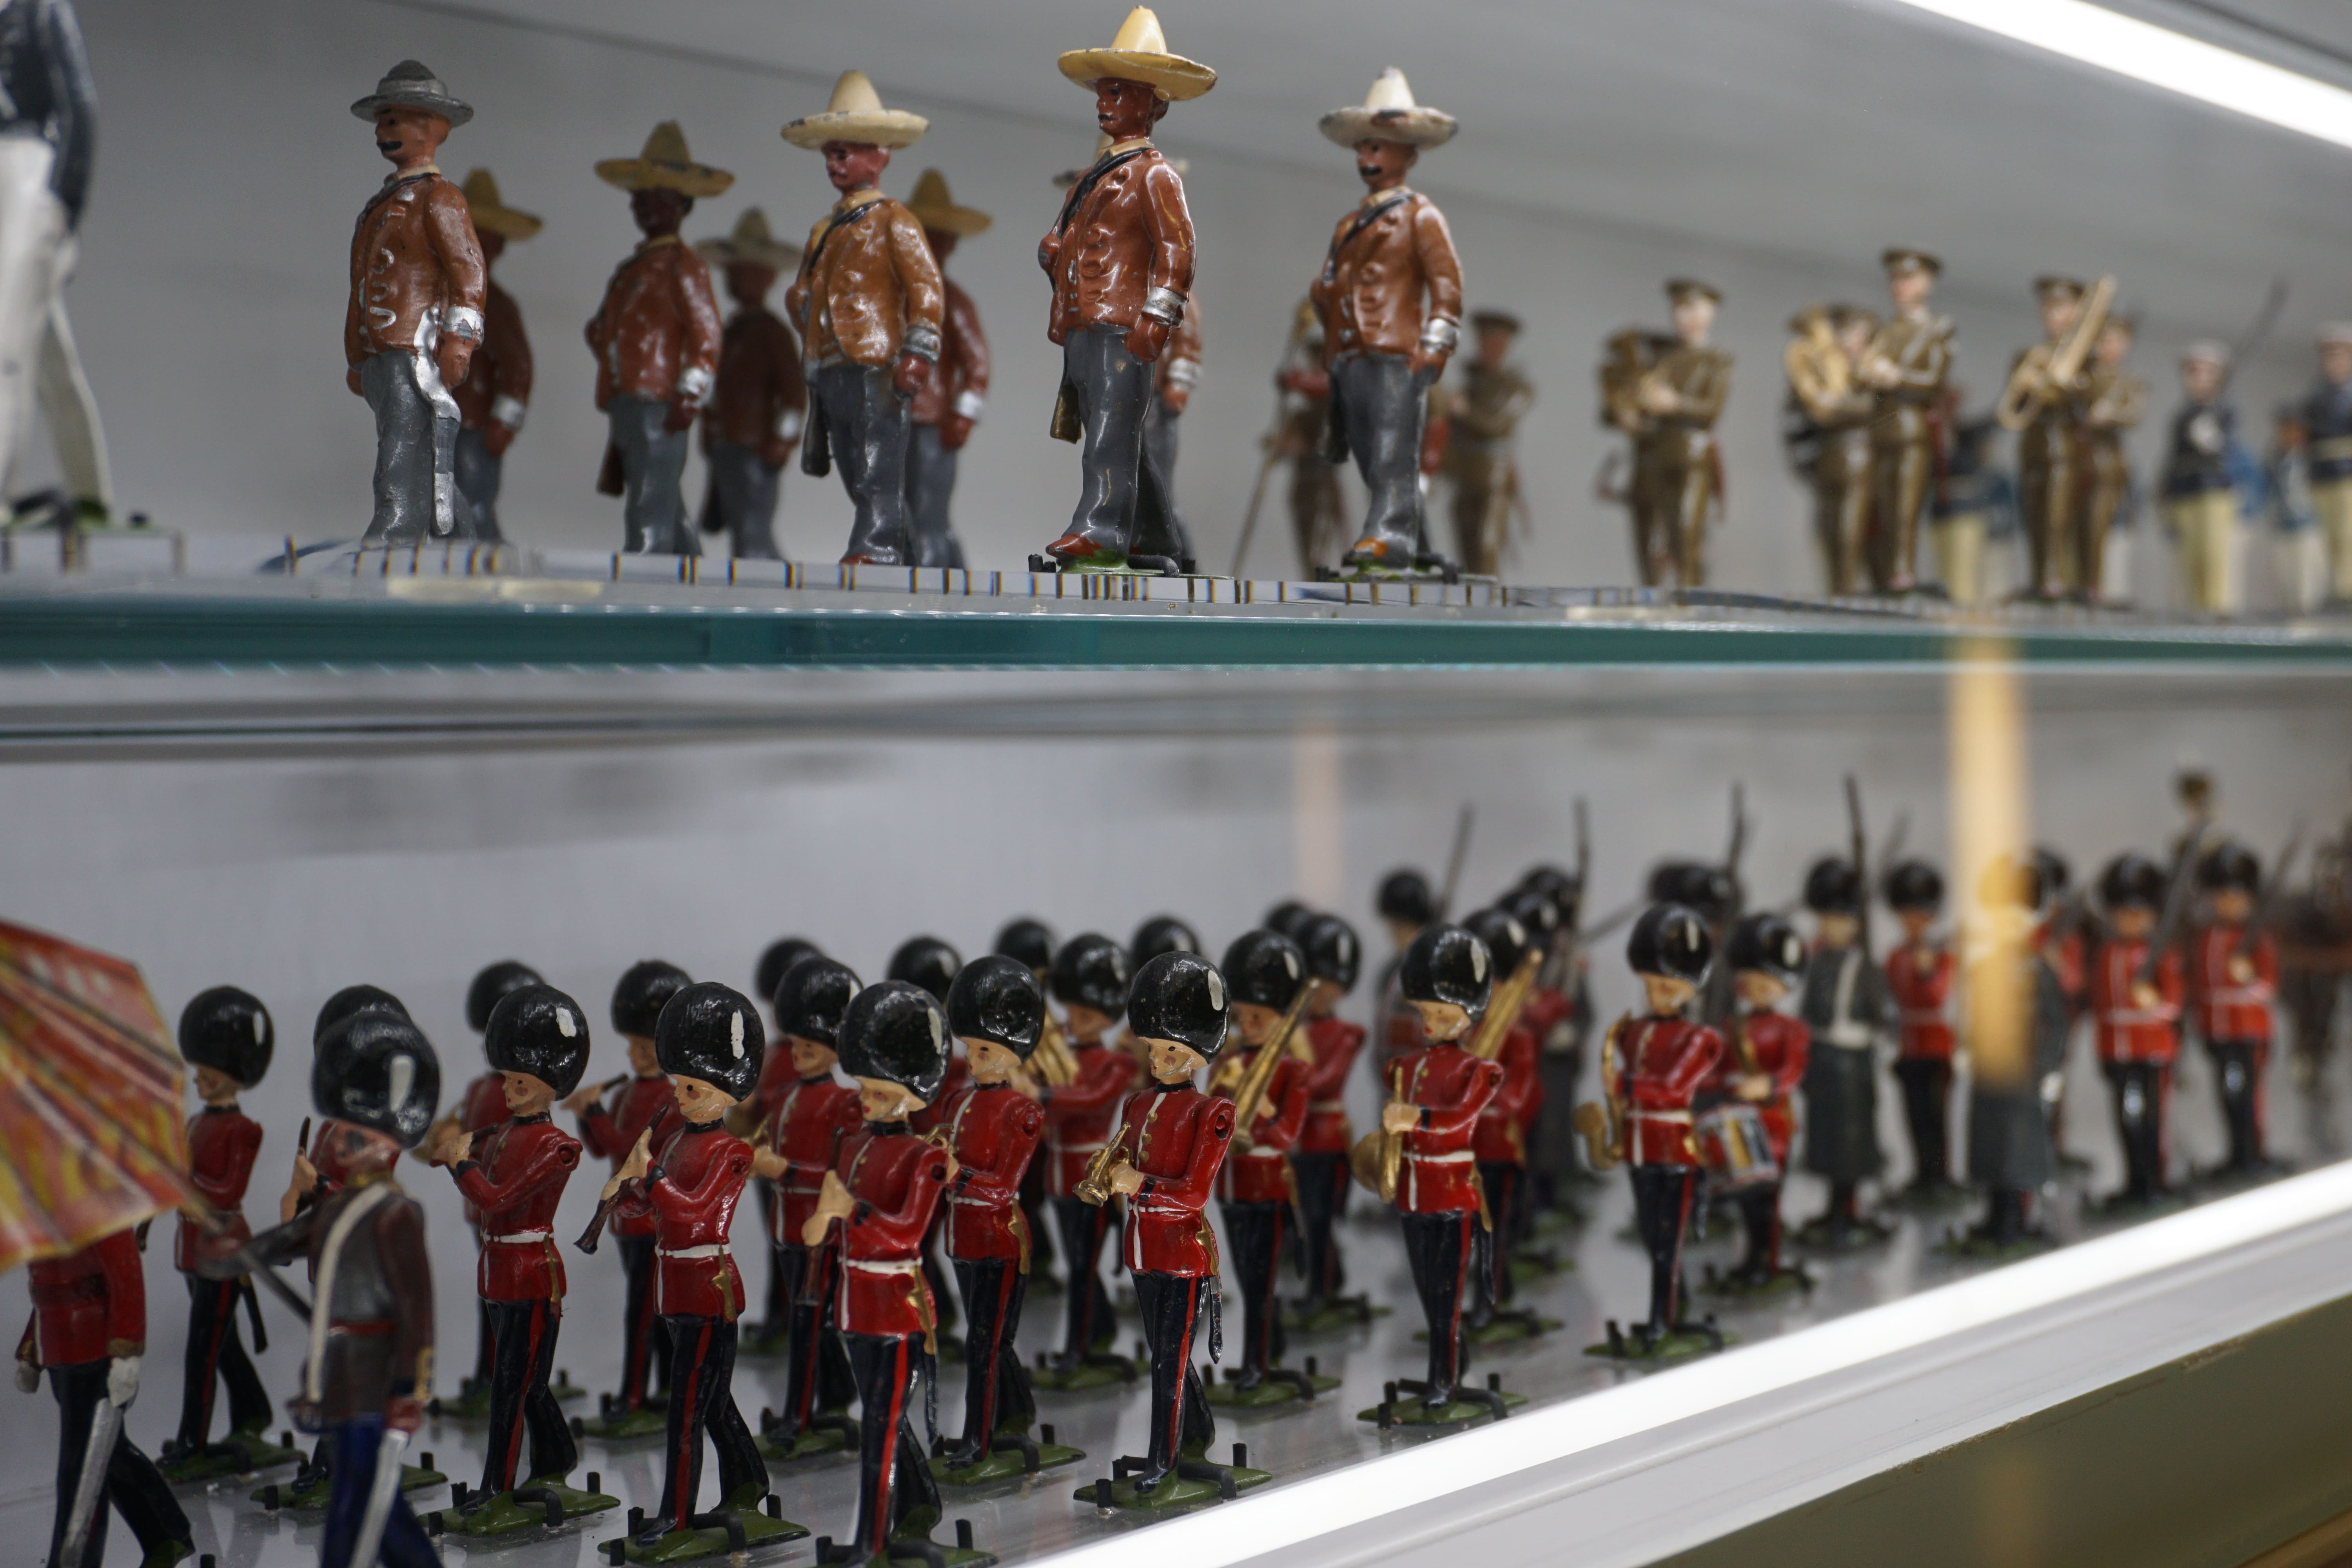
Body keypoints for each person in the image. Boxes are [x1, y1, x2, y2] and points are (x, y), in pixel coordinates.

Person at [208, 1006, 441, 1568]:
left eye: (355, 1134)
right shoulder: (337, 1206)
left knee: (358, 1498)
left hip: (376, 1376)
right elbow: (289, 1238)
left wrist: (411, 1389)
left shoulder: (396, 1213)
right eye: (341, 1131)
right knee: (366, 1500)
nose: (339, 1142)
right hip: (337, 1370)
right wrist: (234, 1252)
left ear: (387, 1143)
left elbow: (417, 1313)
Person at [1038, 10, 1212, 573]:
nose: (1104, 102)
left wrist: (1157, 320)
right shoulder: (1091, 179)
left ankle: (1100, 530)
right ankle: (1151, 533)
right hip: (1084, 321)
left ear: (1154, 104)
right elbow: (1067, 239)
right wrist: (1054, 252)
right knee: (1113, 434)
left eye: (1118, 92)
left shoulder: (1155, 175)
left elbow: (1179, 253)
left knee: (1110, 437)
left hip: (1123, 323)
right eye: (1102, 92)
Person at [604, 984, 771, 1550]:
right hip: (674, 1286)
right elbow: (655, 1209)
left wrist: (651, 1178)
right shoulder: (676, 1139)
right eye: (679, 1085)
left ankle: (676, 1517)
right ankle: (749, 1479)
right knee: (713, 1402)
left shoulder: (733, 1152)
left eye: (691, 1088)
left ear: (724, 1093)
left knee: (685, 1413)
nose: (679, 1096)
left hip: (707, 1290)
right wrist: (625, 1194)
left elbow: (695, 1212)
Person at [426, 985, 597, 1524]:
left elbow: (498, 1200)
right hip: (499, 1272)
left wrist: (461, 1165)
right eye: (507, 1080)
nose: (508, 1091)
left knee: (509, 1387)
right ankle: (557, 1455)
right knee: (529, 1385)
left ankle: (495, 1487)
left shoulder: (557, 1146)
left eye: (521, 1083)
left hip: (530, 1274)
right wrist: (449, 1149)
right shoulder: (502, 1133)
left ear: (549, 1086)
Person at [802, 982, 955, 1555]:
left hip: (896, 1307)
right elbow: (827, 1228)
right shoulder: (853, 1147)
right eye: (865, 1088)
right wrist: (823, 1222)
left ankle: (871, 1540)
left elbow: (908, 1232)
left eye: (879, 1090)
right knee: (880, 1417)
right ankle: (916, 1509)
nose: (866, 1100)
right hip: (855, 1302)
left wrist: (851, 1211)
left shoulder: (925, 1157)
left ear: (909, 1095)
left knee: (878, 1428)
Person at [1085, 950, 1237, 1495]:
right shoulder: (1135, 1103)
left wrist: (1139, 1185)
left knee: (1166, 1364)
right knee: (1165, 1357)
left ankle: (1163, 1461)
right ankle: (1194, 1433)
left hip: (1181, 1253)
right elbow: (1127, 1160)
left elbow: (1194, 1194)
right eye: (1153, 1047)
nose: (1158, 1058)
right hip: (1142, 1248)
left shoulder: (1211, 1112)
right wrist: (1108, 1176)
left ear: (1196, 1054)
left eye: (1171, 1049)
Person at [783, 72, 943, 566]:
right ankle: (902, 551)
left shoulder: (894, 219)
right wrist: (802, 303)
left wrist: (918, 352)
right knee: (853, 465)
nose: (835, 164)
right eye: (830, 155)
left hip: (877, 360)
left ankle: (876, 547)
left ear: (879, 156)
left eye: (845, 154)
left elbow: (926, 290)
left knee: (878, 462)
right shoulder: (822, 231)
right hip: (831, 363)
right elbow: (807, 292)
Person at [1310, 68, 1463, 575]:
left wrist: (1436, 344)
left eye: (1378, 148)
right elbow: (1331, 280)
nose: (1367, 158)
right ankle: (1416, 541)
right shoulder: (1347, 225)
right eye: (1363, 148)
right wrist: (1324, 293)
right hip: (1350, 350)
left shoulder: (1421, 215)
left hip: (1397, 349)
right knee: (1369, 454)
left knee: (1394, 451)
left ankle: (1389, 539)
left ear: (1408, 155)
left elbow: (1447, 286)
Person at [346, 60, 484, 547]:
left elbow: (468, 270)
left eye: (394, 121)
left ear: (430, 128)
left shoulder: (439, 197)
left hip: (415, 348)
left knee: (402, 446)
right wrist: (358, 354)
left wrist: (460, 340)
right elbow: (362, 285)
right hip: (383, 351)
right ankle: (461, 540)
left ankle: (396, 530)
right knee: (420, 451)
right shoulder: (382, 204)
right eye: (381, 122)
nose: (382, 132)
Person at [934, 957, 1053, 1479]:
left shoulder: (1022, 1111)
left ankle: (977, 1440)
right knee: (991, 1340)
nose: (972, 1058)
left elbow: (1003, 1186)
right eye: (971, 1048)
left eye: (984, 1050)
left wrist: (955, 1175)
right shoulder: (958, 1102)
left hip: (999, 1238)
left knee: (983, 1344)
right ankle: (1014, 1413)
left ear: (1011, 1053)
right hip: (962, 1236)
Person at [586, 122, 728, 555]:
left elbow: (706, 333)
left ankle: (645, 563)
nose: (649, 209)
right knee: (657, 490)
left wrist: (691, 390)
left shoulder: (683, 265)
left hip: (660, 398)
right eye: (642, 199)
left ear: (683, 206)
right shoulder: (632, 268)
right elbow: (602, 327)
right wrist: (609, 342)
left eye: (661, 200)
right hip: (628, 393)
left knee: (651, 490)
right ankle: (688, 562)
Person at [1379, 924, 1503, 1414]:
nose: (1431, 1022)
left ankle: (1443, 1379)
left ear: (1468, 1015)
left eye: (1443, 1014)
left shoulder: (1479, 1071)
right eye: (1427, 1012)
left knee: (1447, 1296)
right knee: (1429, 1293)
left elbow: (1457, 1122)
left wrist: (1415, 1118)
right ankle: (1449, 1361)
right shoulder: (1406, 1067)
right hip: (1414, 1192)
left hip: (1451, 1193)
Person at [562, 960, 688, 1436]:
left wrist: (593, 1110)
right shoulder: (627, 1093)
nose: (635, 1056)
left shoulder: (673, 1099)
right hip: (625, 1220)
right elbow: (601, 1149)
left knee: (642, 1313)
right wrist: (585, 1115)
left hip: (653, 1220)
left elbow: (629, 1149)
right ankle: (661, 1388)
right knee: (650, 1309)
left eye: (645, 1048)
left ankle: (634, 1394)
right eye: (632, 1047)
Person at [0, 0, 109, 526]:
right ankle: (92, 496)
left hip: (29, 170)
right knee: (49, 355)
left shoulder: (38, 9)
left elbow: (77, 104)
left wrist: (63, 204)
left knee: (6, 347)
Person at [161, 986, 278, 1478]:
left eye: (208, 1072)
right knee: (222, 1343)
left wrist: (181, 1180)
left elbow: (228, 1190)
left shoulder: (243, 1130)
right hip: (193, 1247)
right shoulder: (193, 1123)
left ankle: (194, 1441)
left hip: (224, 1249)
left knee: (202, 1351)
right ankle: (253, 1410)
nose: (199, 1079)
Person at [1599, 906, 1724, 1352]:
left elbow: (1673, 1087)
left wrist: (1625, 1084)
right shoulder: (1634, 1031)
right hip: (1639, 1145)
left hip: (1674, 1149)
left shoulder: (1700, 1038)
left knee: (1667, 1241)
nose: (1656, 995)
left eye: (1667, 987)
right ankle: (1675, 1302)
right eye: (1650, 984)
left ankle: (1661, 1319)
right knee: (1653, 1235)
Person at [752, 956, 862, 1458]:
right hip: (786, 1226)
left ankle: (798, 1415)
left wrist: (785, 1171)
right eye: (796, 1045)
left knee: (806, 1324)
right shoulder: (783, 1097)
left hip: (819, 1230)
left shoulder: (845, 1103)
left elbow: (843, 1176)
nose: (798, 1055)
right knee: (810, 1321)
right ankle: (834, 1394)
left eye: (810, 1048)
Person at [1207, 931, 1312, 1399]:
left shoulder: (1293, 1069)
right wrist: (1224, 1090)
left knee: (1261, 1282)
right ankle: (1271, 1345)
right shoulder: (1227, 1063)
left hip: (1268, 1184)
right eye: (1242, 1016)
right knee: (1248, 1279)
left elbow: (1287, 1133)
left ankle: (1257, 1364)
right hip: (1233, 1184)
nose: (1247, 1026)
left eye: (1258, 1017)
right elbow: (1209, 1124)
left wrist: (1260, 1104)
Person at [1035, 932, 1138, 1384]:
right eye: (1073, 1013)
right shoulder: (1060, 1056)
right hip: (1060, 1175)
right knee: (1079, 1264)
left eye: (1086, 1016)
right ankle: (1100, 1330)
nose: (1074, 1023)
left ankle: (1078, 1349)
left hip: (1091, 1177)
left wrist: (1042, 1094)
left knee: (1081, 1267)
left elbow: (1089, 1101)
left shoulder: (1115, 1064)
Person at [1962, 855, 2073, 1250]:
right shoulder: (1984, 968)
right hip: (1991, 1071)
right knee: (1989, 1144)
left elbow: (2056, 1023)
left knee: (2020, 1148)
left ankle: (2017, 1217)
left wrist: (2050, 1066)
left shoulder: (2040, 972)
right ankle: (1994, 1214)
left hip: (2026, 1071)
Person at [692, 209, 805, 560]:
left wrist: (783, 440)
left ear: (765, 278)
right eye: (733, 272)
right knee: (740, 524)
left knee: (751, 528)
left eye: (744, 272)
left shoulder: (772, 332)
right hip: (727, 443)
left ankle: (765, 581)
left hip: (754, 447)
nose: (735, 279)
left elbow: (794, 395)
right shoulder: (732, 329)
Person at [1704, 914, 1808, 1287]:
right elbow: (1719, 1070)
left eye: (1769, 982)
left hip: (1774, 1122)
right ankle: (1753, 1259)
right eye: (1753, 981)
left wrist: (1767, 1084)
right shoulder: (1732, 1027)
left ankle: (1769, 1261)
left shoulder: (1790, 1028)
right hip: (1741, 1123)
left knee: (1768, 1198)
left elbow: (1792, 1071)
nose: (1760, 989)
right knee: (1747, 1198)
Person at [1797, 856, 1895, 1247]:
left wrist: (1884, 1038)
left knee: (1851, 1144)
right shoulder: (1818, 963)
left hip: (1853, 1066)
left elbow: (1886, 1016)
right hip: (1822, 1061)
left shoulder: (1866, 968)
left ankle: (1849, 1208)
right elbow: (1808, 1012)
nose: (1830, 927)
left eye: (1839, 920)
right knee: (1824, 1140)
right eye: (1825, 919)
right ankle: (1832, 1208)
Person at [903, 170, 992, 569]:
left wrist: (963, 415)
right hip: (895, 418)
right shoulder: (897, 299)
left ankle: (932, 579)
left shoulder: (952, 302)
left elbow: (978, 365)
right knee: (903, 509)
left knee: (928, 512)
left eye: (938, 237)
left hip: (931, 424)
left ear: (950, 243)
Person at [1856, 248, 1952, 593]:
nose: (1899, 286)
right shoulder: (1885, 332)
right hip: (1882, 429)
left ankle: (1903, 573)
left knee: (1905, 508)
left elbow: (1935, 381)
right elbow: (1861, 378)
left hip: (1912, 430)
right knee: (1881, 509)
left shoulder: (1936, 329)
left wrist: (1896, 377)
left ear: (1927, 283)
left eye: (1908, 279)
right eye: (1895, 279)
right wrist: (1867, 371)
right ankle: (1884, 576)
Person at [2092, 854, 2185, 1206]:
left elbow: (2174, 1001)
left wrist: (2154, 1002)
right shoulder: (2107, 954)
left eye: (2139, 913)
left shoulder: (2161, 954)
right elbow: (2101, 1006)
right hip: (2118, 1050)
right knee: (2127, 1119)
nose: (2131, 921)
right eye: (2124, 913)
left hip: (2152, 1049)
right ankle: (2134, 1183)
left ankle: (2154, 1182)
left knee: (2153, 1121)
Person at [452, 169, 538, 544]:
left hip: (474, 425)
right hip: (438, 422)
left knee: (473, 504)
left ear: (498, 247)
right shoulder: (439, 299)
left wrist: (505, 422)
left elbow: (519, 368)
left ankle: (486, 564)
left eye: (485, 242)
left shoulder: (498, 306)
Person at [1292, 913, 1368, 1323]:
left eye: (1330, 984)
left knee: (1320, 1217)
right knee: (1306, 1215)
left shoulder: (1346, 1034)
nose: (1320, 992)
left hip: (1326, 1137)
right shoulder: (1294, 1030)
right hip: (1298, 1135)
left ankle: (1321, 1291)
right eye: (1314, 982)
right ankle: (1328, 1279)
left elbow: (1324, 1083)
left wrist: (1295, 1054)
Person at [2189, 840, 2280, 1176]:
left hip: (2249, 1027)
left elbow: (2268, 984)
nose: (2229, 904)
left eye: (2236, 897)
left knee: (2250, 1095)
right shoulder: (2207, 938)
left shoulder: (2258, 939)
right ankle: (2236, 1154)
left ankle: (2253, 1154)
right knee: (2228, 1094)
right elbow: (2199, 984)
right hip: (2218, 1028)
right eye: (2223, 896)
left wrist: (2249, 977)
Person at [1633, 280, 1731, 586]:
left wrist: (1675, 403)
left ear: (1708, 313)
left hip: (1693, 454)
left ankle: (1690, 597)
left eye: (1690, 309)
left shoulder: (1716, 360)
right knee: (1663, 537)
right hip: (1661, 454)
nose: (1681, 317)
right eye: (1677, 309)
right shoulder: (1664, 359)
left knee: (1689, 534)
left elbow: (1711, 411)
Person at [2001, 276, 2089, 601]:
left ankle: (2055, 581)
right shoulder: (2028, 356)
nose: (2054, 315)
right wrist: (2028, 384)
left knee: (2057, 518)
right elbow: (2012, 409)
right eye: (2049, 308)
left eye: (2062, 308)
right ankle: (2039, 579)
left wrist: (2061, 387)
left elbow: (2086, 405)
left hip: (2064, 448)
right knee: (2034, 516)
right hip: (2033, 447)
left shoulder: (2085, 359)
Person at [1787, 303, 1877, 596]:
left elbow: (1876, 410)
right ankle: (1836, 592)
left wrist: (1834, 406)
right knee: (1827, 531)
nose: (1845, 341)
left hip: (1860, 458)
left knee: (1853, 531)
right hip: (1825, 461)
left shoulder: (1869, 371)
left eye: (1854, 333)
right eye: (1842, 333)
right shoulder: (1821, 368)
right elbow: (1795, 425)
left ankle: (1848, 591)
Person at [1883, 861, 1958, 1198]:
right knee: (1914, 1115)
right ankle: (1921, 1173)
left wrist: (1928, 972)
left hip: (1936, 1046)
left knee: (1936, 1117)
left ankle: (1940, 1175)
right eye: (1908, 915)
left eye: (1921, 915)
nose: (1914, 922)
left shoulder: (1942, 957)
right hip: (1907, 1046)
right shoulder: (1896, 956)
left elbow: (1937, 995)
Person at [1444, 310, 1535, 577]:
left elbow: (1494, 425)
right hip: (1464, 474)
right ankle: (1472, 602)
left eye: (1497, 343)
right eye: (1485, 341)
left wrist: (1464, 411)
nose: (1489, 349)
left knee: (1487, 548)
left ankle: (1489, 601)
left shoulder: (1515, 388)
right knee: (1466, 549)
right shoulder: (1471, 385)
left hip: (1494, 477)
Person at [2162, 341, 2249, 615]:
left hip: (2214, 492)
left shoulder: (2225, 412)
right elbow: (2174, 460)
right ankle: (2195, 612)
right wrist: (2166, 496)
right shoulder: (2182, 417)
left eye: (2207, 373)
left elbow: (2233, 456)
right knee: (2190, 559)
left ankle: (2216, 610)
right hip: (2185, 493)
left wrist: (2215, 440)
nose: (2200, 379)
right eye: (2194, 372)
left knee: (2215, 557)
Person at [2076, 312, 2147, 604]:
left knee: (2100, 527)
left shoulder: (2128, 382)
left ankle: (2095, 587)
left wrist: (2109, 415)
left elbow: (2133, 415)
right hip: (2078, 458)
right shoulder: (2084, 377)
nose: (2109, 346)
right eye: (2104, 339)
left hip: (2107, 461)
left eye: (2116, 340)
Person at [1272, 299, 1347, 573]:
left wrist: (1296, 381)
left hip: (1323, 481)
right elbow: (1288, 442)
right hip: (1303, 482)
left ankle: (1319, 580)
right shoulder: (1303, 413)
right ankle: (1310, 576)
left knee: (1320, 545)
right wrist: (1281, 445)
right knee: (1305, 542)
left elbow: (1324, 386)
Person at [2297, 323, 2352, 606]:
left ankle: (2347, 590)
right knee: (2322, 535)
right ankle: (2332, 590)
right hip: (2322, 473)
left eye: (2341, 354)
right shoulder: (2315, 397)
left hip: (2347, 473)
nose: (2335, 361)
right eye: (2329, 354)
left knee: (2347, 534)